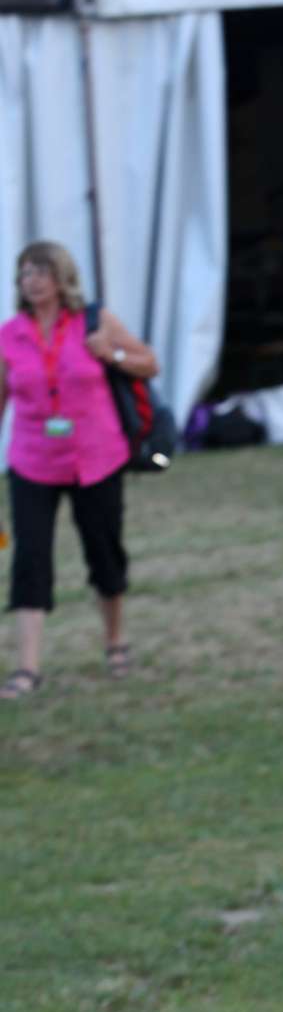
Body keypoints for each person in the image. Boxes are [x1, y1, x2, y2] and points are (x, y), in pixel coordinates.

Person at [0, 240, 158, 698]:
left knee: (104, 552)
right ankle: (27, 668)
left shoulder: (95, 320)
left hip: (96, 458)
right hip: (32, 461)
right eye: (25, 273)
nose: (32, 281)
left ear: (61, 278)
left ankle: (115, 641)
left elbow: (150, 363)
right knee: (30, 558)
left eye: (41, 272)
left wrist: (112, 353)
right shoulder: (10, 334)